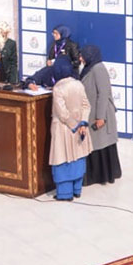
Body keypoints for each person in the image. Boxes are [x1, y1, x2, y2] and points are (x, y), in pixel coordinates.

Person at [48, 57, 92, 201]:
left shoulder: (58, 88)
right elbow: (86, 105)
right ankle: (77, 190)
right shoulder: (78, 84)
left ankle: (65, 194)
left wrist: (74, 125)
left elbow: (62, 113)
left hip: (64, 129)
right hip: (80, 129)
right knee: (78, 158)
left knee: (63, 159)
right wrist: (83, 124)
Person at [79, 45, 122, 186]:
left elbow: (103, 94)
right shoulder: (89, 68)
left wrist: (100, 117)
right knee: (97, 145)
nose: (80, 58)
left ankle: (104, 175)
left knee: (102, 144)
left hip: (100, 113)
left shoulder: (98, 68)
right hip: (92, 112)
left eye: (83, 55)